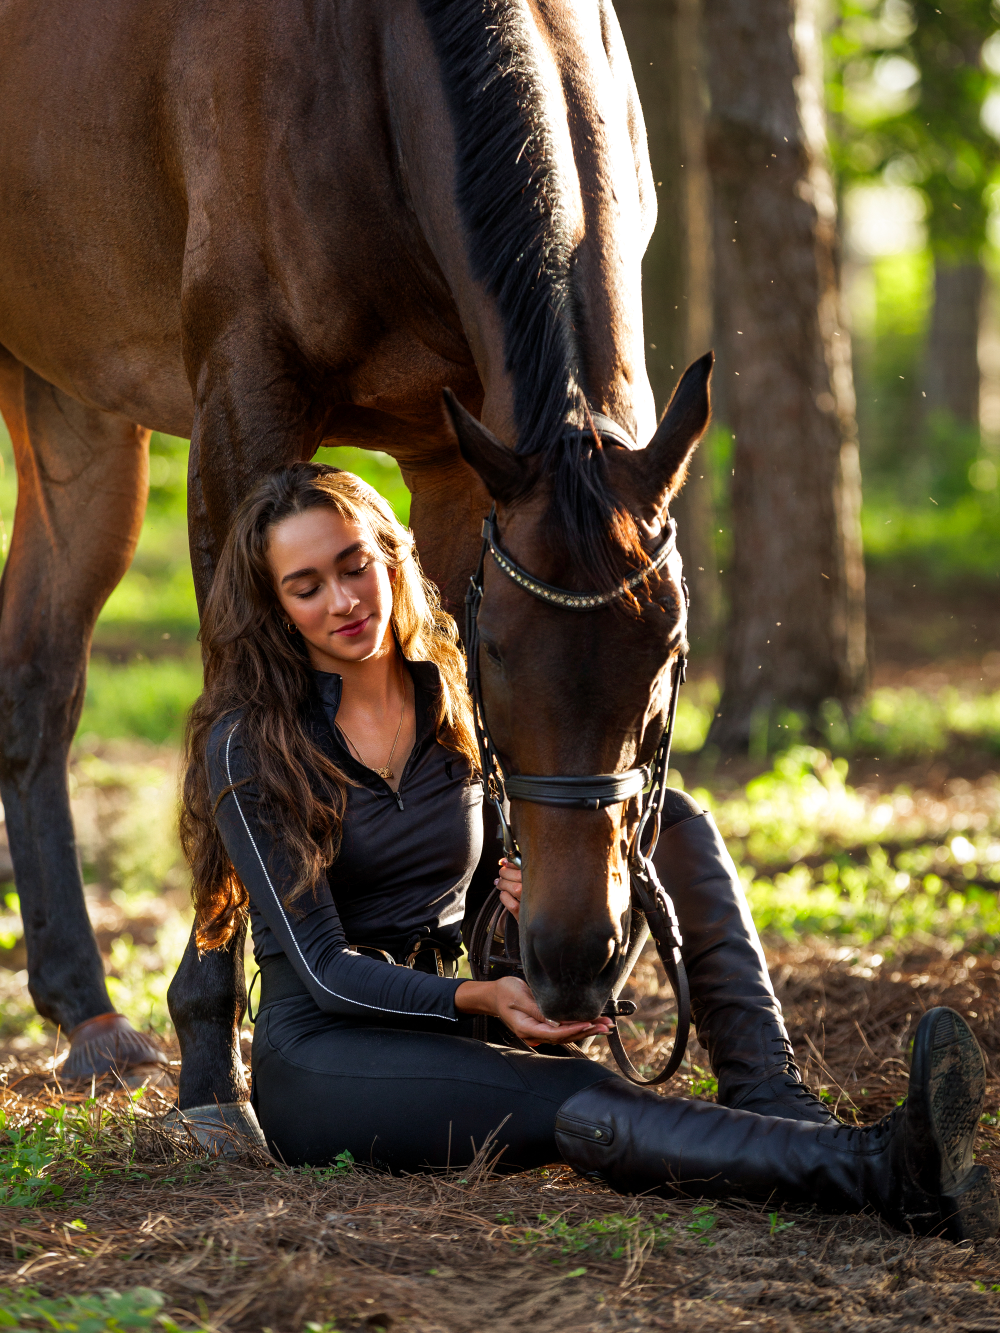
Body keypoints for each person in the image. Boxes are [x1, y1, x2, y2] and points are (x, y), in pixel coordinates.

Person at [180, 463, 998, 1243]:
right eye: (307, 586)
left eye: (355, 565)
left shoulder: (457, 692)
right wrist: (481, 999)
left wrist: (518, 900)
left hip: (460, 1015)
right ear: (276, 607)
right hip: (328, 1055)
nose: (344, 600)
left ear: (390, 555)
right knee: (574, 1095)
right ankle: (883, 1174)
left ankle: (775, 1096)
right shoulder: (252, 741)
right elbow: (321, 966)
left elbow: (493, 873)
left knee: (664, 820)